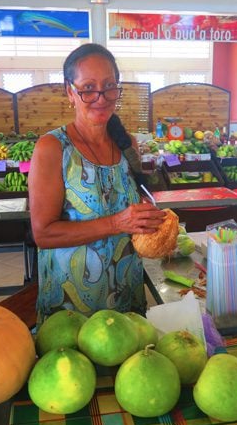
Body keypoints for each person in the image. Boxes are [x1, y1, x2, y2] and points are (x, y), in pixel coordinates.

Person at [28, 43, 165, 325]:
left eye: (109, 86)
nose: (100, 97)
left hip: (127, 298)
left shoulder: (127, 145)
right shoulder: (53, 148)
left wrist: (150, 224)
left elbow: (131, 212)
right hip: (71, 309)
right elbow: (43, 234)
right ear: (70, 92)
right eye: (88, 88)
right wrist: (117, 223)